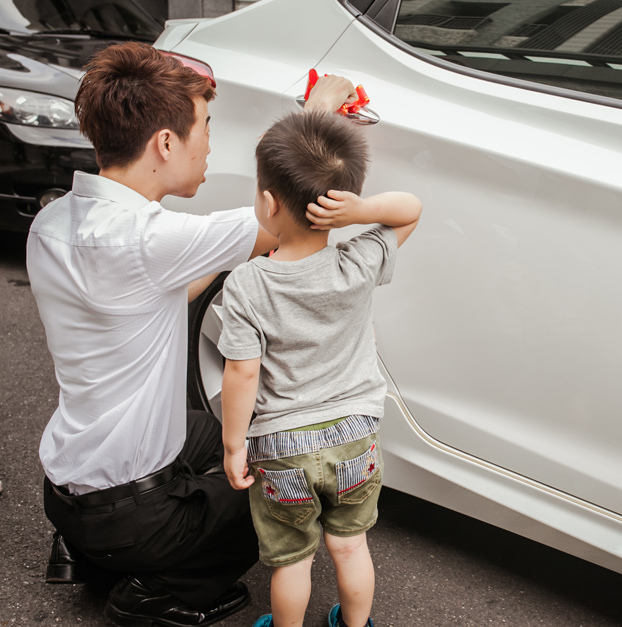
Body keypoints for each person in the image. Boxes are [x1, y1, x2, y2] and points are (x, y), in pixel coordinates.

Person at [26, 42, 360, 626]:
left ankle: (86, 551)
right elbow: (285, 213)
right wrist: (320, 112)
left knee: (229, 432)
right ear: (164, 142)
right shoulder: (148, 240)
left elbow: (166, 289)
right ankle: (163, 590)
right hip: (132, 512)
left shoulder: (54, 222)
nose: (209, 142)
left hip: (66, 488)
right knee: (284, 489)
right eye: (205, 126)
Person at [216, 110, 421, 627]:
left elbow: (241, 373)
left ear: (267, 202)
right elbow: (411, 210)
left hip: (284, 447)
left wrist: (234, 444)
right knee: (351, 547)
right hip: (355, 433)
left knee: (293, 559)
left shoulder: (247, 284)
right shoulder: (355, 264)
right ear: (340, 203)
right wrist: (360, 212)